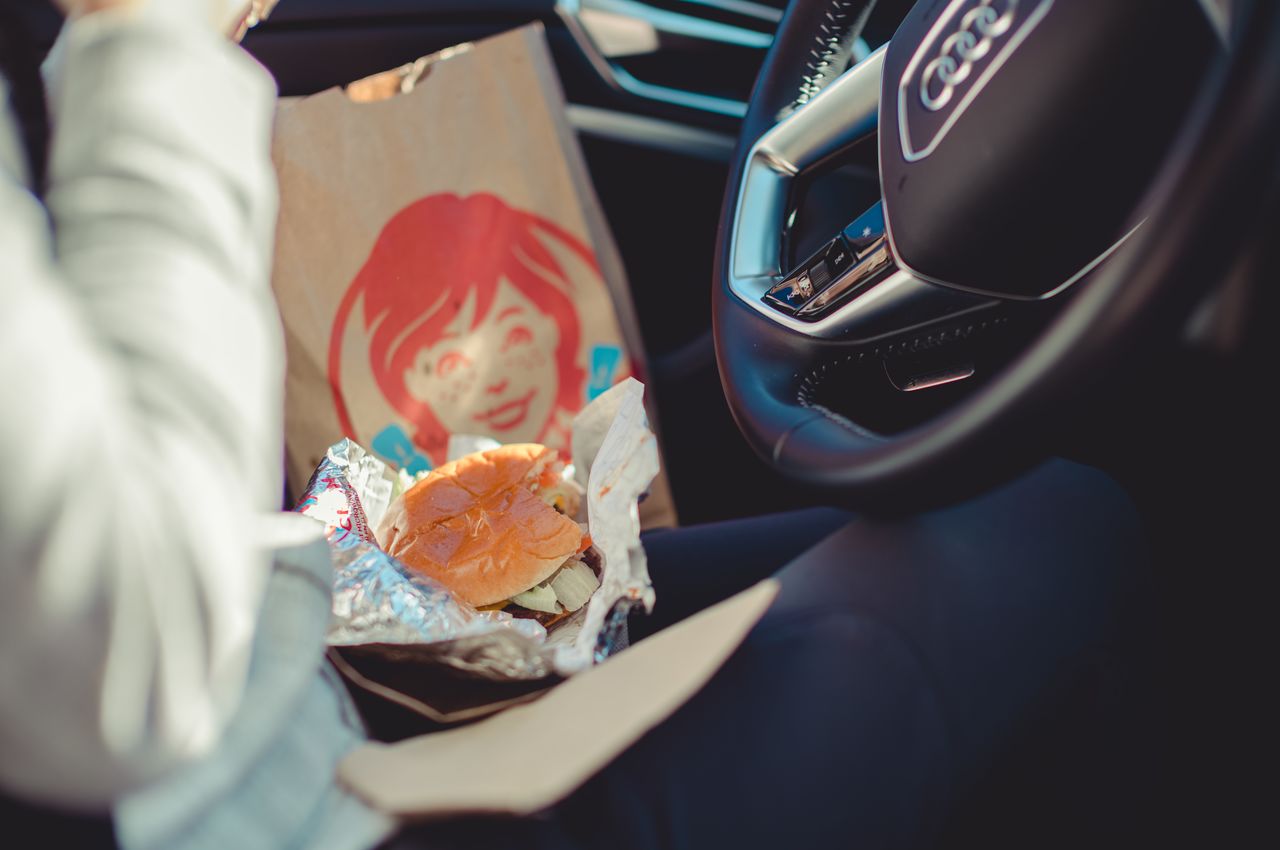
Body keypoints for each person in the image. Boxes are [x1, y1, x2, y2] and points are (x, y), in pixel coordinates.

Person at [1, 2, 1157, 849]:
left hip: (301, 678)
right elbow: (127, 662)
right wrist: (145, 41)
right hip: (306, 802)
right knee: (1059, 519)